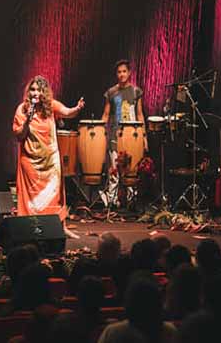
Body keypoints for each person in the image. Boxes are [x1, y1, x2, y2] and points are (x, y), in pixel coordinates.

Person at [12, 75, 84, 237]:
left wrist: (77, 108)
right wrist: (27, 121)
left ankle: (61, 227)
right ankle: (30, 229)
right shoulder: (22, 109)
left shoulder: (51, 106)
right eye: (32, 89)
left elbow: (67, 112)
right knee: (31, 198)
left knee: (56, 195)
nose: (35, 93)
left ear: (44, 92)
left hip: (50, 160)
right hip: (30, 161)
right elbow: (20, 135)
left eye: (38, 90)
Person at [100, 60, 145, 205]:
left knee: (131, 170)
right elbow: (106, 115)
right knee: (114, 168)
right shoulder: (111, 93)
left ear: (129, 73)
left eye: (124, 71)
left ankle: (132, 202)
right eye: (119, 72)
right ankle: (112, 202)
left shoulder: (135, 91)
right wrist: (101, 133)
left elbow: (139, 114)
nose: (121, 74)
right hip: (115, 134)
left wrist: (144, 136)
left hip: (132, 135)